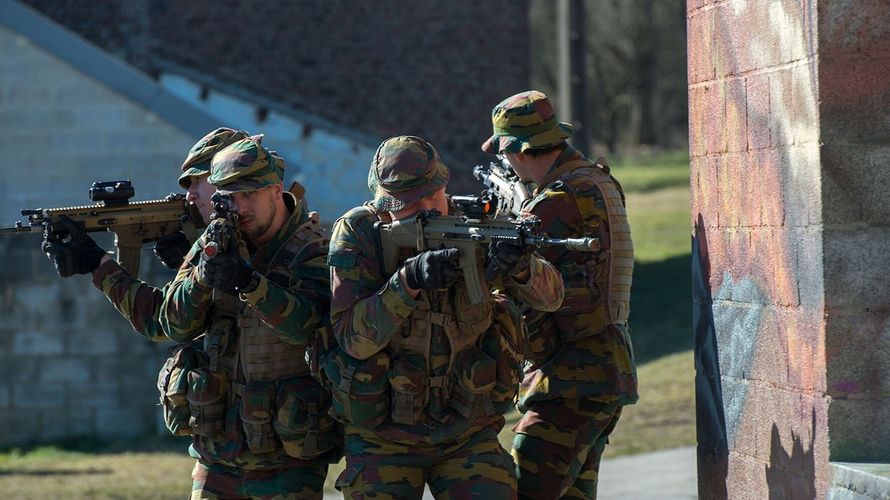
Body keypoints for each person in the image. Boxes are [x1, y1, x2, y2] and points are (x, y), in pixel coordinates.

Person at [323, 135, 564, 499]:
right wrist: (408, 282)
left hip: (467, 429)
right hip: (383, 437)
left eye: (431, 195)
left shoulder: (480, 222)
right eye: (410, 203)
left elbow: (552, 298)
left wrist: (522, 268)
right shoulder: (360, 233)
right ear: (384, 203)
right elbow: (353, 339)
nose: (427, 209)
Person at [481, 90, 638, 500]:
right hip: (601, 370)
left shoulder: (557, 199)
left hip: (570, 378)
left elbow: (506, 275)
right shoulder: (597, 181)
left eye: (506, 153)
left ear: (519, 149)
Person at [159, 137, 336, 499]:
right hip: (218, 452)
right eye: (228, 198)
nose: (238, 208)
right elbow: (173, 323)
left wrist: (248, 282)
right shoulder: (218, 237)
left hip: (288, 459)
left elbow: (308, 326)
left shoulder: (313, 248)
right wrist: (202, 277)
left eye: (247, 195)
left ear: (275, 190)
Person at [41, 127, 251, 341]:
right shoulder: (235, 234)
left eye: (199, 180)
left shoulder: (242, 238)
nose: (190, 196)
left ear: (229, 176)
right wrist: (189, 259)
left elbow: (163, 322)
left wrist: (98, 263)